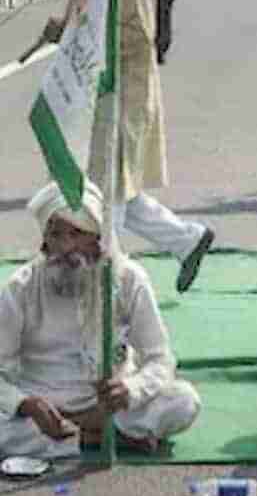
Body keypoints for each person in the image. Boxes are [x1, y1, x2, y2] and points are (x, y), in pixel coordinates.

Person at [29, 0, 215, 294]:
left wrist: (79, 36)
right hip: (94, 98)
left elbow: (134, 38)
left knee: (101, 201)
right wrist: (64, 27)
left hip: (118, 99)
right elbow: (87, 17)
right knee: (111, 191)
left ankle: (108, 296)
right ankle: (185, 240)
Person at [0, 183, 201, 458]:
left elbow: (161, 360)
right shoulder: (20, 287)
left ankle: (85, 438)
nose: (65, 246)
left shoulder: (128, 279)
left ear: (98, 237)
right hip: (45, 413)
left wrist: (131, 389)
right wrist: (25, 404)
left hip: (111, 409)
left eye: (77, 233)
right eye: (56, 234)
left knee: (183, 401)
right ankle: (97, 439)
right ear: (44, 240)